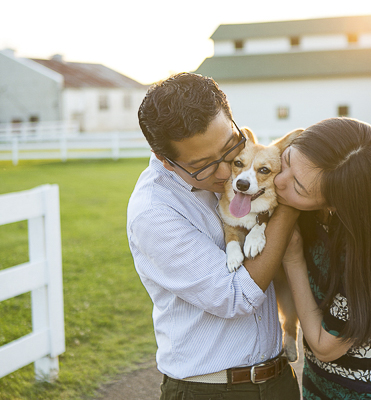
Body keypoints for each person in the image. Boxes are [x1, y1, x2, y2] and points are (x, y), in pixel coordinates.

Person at [126, 72, 301, 400]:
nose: (226, 174)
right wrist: (289, 202)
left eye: (228, 149)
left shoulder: (242, 166)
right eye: (203, 165)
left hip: (278, 379)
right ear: (166, 161)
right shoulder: (155, 213)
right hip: (211, 390)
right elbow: (236, 297)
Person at [274, 117, 371, 399]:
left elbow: (323, 346)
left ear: (335, 204)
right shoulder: (312, 212)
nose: (278, 181)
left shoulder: (370, 257)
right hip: (323, 383)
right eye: (286, 159)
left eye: (297, 186)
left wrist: (293, 258)